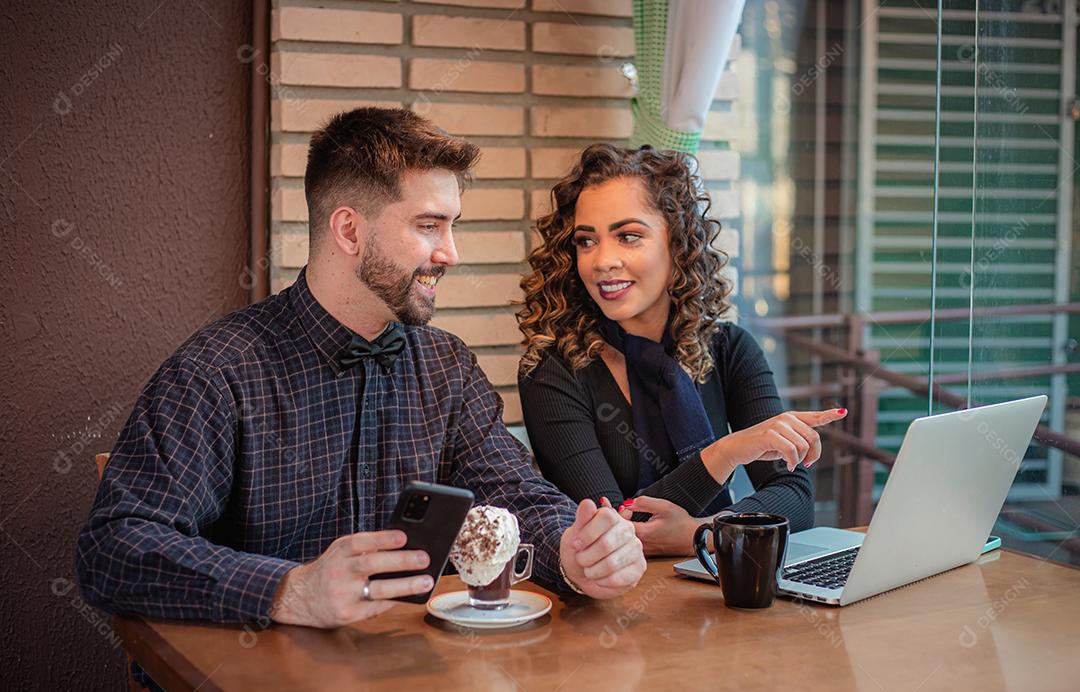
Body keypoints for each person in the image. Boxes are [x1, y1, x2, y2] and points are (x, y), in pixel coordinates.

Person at [76, 108, 646, 629]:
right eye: (428, 226)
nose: (450, 252)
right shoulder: (217, 371)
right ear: (349, 230)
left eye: (453, 226)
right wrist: (289, 590)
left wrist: (575, 551)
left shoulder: (446, 366)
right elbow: (114, 546)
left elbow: (515, 496)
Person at [516, 143, 846, 557]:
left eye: (628, 236)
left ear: (678, 244)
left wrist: (704, 534)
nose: (602, 261)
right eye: (587, 241)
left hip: (722, 584)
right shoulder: (551, 371)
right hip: (613, 604)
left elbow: (796, 499)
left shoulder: (729, 349)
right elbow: (612, 530)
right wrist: (725, 453)